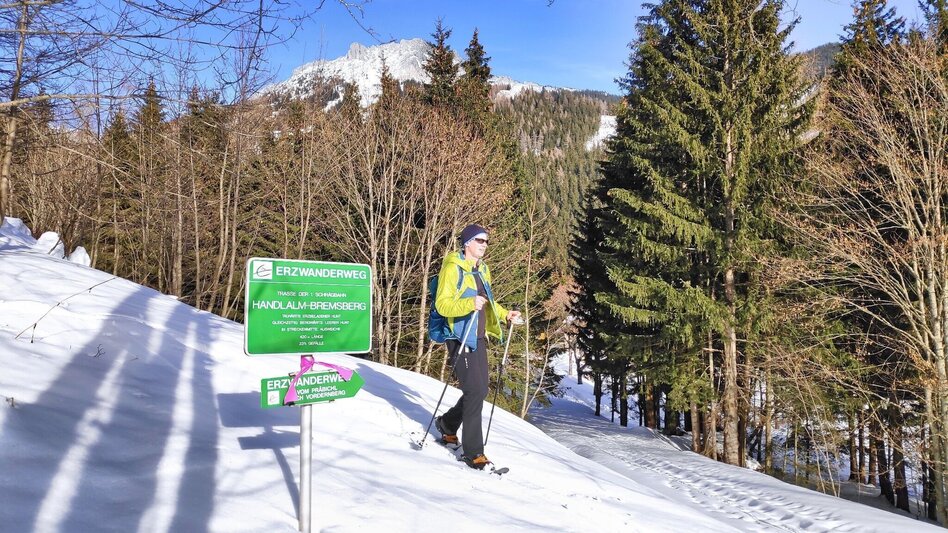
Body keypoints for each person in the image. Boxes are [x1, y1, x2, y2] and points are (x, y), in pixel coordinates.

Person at [433, 223, 521, 470]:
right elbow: (443, 305)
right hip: (459, 337)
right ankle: (474, 453)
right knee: (473, 391)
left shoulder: (482, 270)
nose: (483, 245)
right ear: (467, 243)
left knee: (480, 391)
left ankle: (448, 425)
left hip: (478, 336)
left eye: (486, 241)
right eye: (479, 240)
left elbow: (488, 301)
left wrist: (505, 315)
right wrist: (468, 304)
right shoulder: (452, 268)